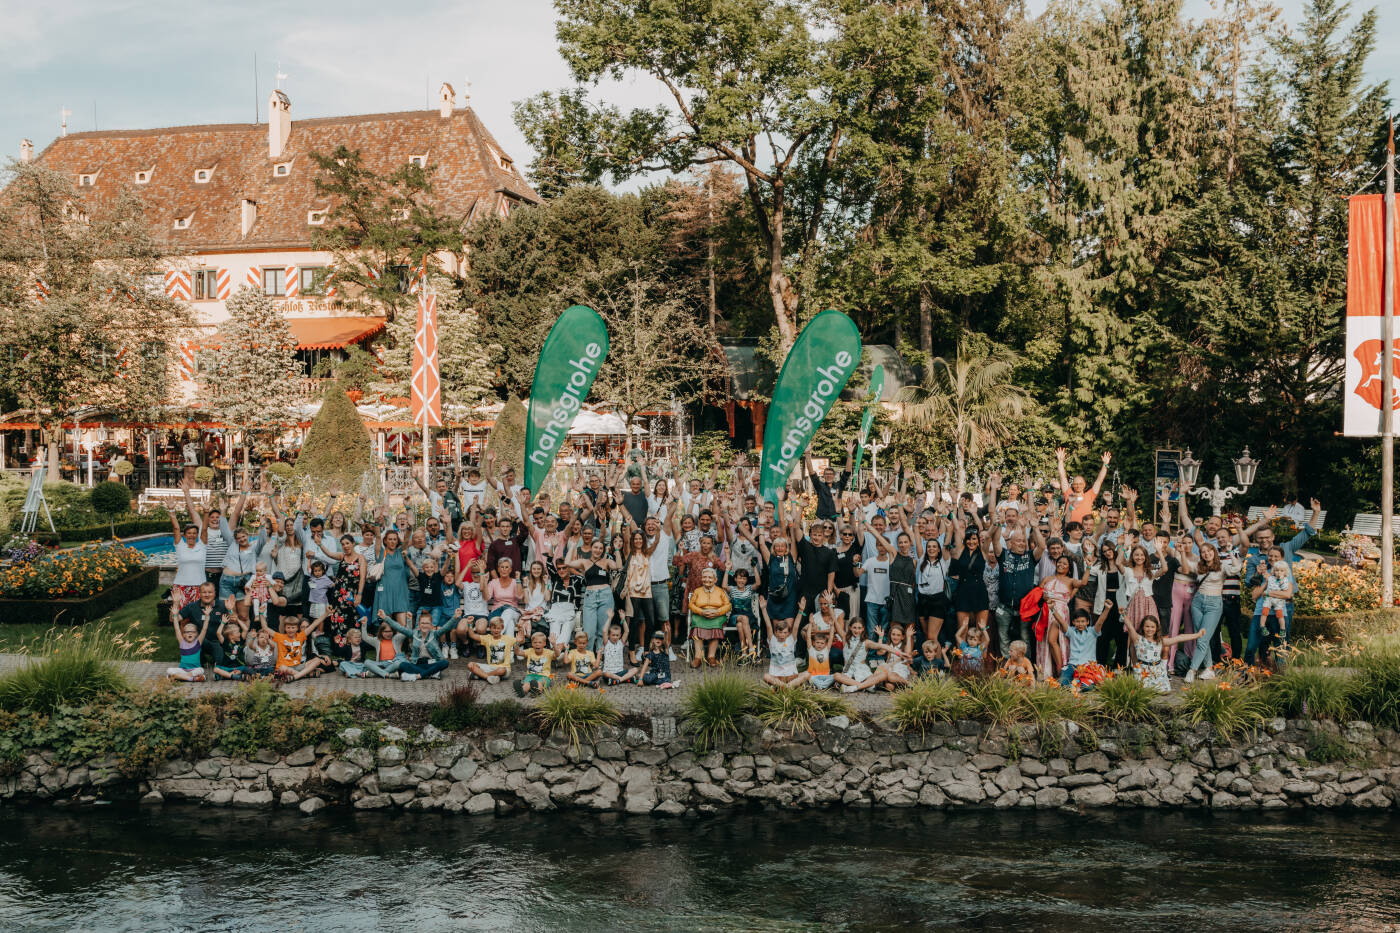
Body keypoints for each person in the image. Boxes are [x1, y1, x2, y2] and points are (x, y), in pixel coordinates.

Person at [568, 538, 619, 655]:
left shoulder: (606, 561)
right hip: (590, 596)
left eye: (601, 548)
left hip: (605, 595)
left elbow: (618, 566)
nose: (598, 550)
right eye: (596, 547)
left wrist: (616, 549)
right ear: (591, 548)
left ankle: (600, 656)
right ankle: (589, 656)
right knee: (589, 631)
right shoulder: (584, 562)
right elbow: (568, 563)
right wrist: (572, 547)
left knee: (603, 630)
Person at [1127, 616, 1203, 694]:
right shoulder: (1138, 639)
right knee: (1143, 691)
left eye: (1153, 627)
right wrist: (1123, 615)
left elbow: (1180, 638)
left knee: (1165, 691)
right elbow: (1130, 627)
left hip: (1157, 672)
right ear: (1143, 627)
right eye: (1147, 626)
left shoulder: (1160, 641)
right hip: (1143, 671)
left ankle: (1156, 685)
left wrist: (1197, 635)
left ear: (1156, 628)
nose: (1150, 629)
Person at [379, 609, 454, 681]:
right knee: (402, 665)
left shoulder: (435, 634)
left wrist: (455, 617)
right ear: (419, 624)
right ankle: (430, 674)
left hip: (431, 663)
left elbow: (445, 628)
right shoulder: (414, 634)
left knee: (445, 662)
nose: (424, 625)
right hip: (417, 664)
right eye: (422, 623)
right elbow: (400, 628)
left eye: (427, 623)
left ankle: (419, 675)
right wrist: (385, 617)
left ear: (431, 625)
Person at [687, 566, 731, 669]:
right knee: (697, 625)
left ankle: (711, 656)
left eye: (710, 577)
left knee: (715, 626)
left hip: (717, 616)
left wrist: (717, 612)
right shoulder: (697, 591)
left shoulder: (720, 591)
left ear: (715, 579)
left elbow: (728, 605)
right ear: (701, 578)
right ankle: (698, 656)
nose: (707, 579)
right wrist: (701, 612)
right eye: (705, 577)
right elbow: (691, 605)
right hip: (700, 615)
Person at [1056, 607, 1104, 687]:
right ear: (1073, 622)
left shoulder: (1093, 632)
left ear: (1087, 622)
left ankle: (1077, 683)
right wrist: (1052, 609)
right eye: (1077, 621)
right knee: (1062, 683)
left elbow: (1100, 622)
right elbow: (1061, 621)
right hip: (1072, 665)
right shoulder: (1071, 632)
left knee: (1087, 687)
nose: (1080, 624)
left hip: (1088, 667)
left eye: (1083, 621)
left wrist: (1107, 609)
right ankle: (1074, 683)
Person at [464, 615, 516, 684]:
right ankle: (490, 677)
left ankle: (481, 675)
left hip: (504, 669)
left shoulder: (508, 639)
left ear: (502, 628)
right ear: (490, 628)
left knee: (501, 670)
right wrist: (470, 624)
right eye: (494, 628)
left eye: (498, 628)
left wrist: (521, 630)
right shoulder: (487, 638)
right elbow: (472, 635)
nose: (496, 630)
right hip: (490, 667)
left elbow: (521, 641)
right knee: (470, 665)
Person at [724, 568, 758, 661]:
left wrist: (754, 568)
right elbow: (723, 586)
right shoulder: (732, 589)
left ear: (747, 580)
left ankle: (744, 653)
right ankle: (751, 648)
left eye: (744, 578)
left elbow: (758, 583)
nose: (741, 580)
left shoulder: (749, 589)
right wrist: (727, 570)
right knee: (743, 619)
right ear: (735, 579)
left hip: (748, 617)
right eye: (739, 578)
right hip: (735, 616)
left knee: (740, 625)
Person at [167, 614, 210, 682]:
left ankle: (180, 677)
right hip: (183, 670)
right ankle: (192, 679)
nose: (190, 634)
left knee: (201, 670)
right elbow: (177, 629)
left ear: (196, 634)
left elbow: (204, 629)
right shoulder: (182, 642)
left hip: (194, 670)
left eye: (192, 632)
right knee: (169, 670)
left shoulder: (198, 642)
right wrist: (175, 616)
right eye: (187, 632)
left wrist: (207, 616)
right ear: (183, 634)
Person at [763, 616, 802, 688]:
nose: (782, 635)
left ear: (788, 633)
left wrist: (801, 610)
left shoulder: (791, 640)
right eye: (780, 632)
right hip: (777, 677)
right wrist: (763, 609)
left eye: (785, 632)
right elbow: (768, 625)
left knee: (807, 674)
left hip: (790, 676)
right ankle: (787, 686)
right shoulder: (772, 640)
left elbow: (796, 626)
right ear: (776, 632)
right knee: (766, 676)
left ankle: (783, 686)